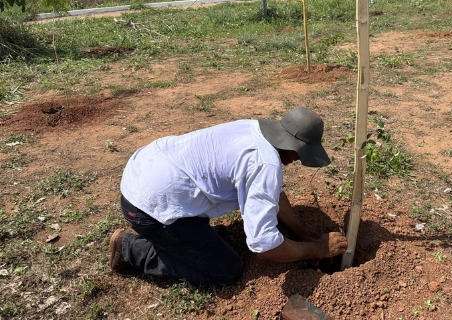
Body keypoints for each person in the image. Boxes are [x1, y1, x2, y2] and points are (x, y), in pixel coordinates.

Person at [109, 107, 346, 287]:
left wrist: (305, 236)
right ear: (290, 144)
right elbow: (263, 244)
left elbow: (274, 196)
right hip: (148, 205)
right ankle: (131, 249)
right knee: (226, 271)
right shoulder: (264, 163)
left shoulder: (255, 130)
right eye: (299, 153)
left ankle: (187, 240)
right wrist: (315, 249)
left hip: (150, 171)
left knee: (212, 241)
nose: (297, 160)